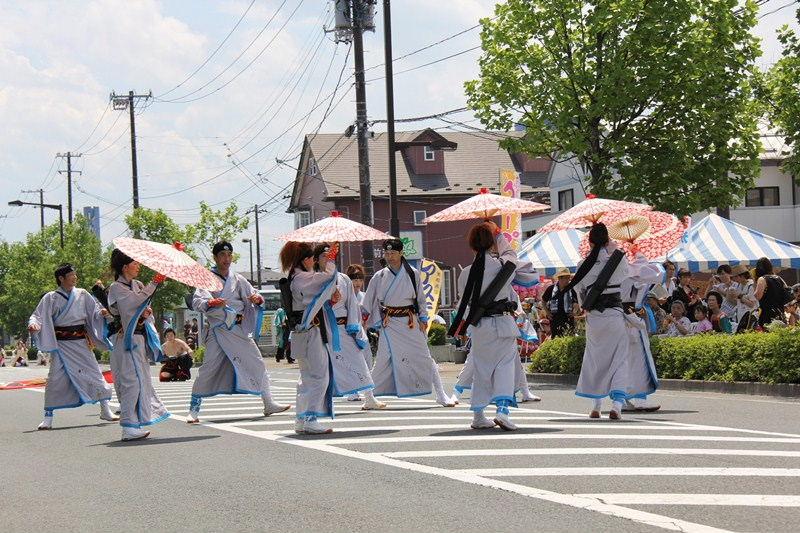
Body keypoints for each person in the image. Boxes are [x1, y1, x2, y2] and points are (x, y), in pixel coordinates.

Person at [188, 241, 289, 424]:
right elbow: (198, 301)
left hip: (239, 330)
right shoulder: (206, 278)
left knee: (257, 362)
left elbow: (254, 295)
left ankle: (268, 402)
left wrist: (257, 299)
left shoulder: (238, 279)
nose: (226, 259)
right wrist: (211, 303)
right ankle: (194, 409)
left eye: (229, 255)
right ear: (215, 258)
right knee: (208, 368)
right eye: (222, 255)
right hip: (219, 330)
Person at [362, 239, 454, 408]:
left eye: (393, 253)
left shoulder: (412, 273)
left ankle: (441, 394)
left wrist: (424, 318)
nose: (389, 256)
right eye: (386, 253)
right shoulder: (379, 276)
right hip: (389, 323)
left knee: (425, 357)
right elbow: (368, 301)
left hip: (410, 321)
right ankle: (369, 396)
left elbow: (421, 298)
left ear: (401, 253)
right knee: (382, 359)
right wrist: (363, 318)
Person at [27, 263, 118, 430]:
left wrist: (102, 314)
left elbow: (95, 312)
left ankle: (105, 409)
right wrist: (34, 325)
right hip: (61, 346)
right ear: (61, 278)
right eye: (71, 275)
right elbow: (37, 316)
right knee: (55, 379)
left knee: (95, 374)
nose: (75, 277)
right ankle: (48, 417)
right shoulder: (51, 297)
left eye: (75, 274)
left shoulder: (82, 294)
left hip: (81, 343)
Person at [567, 223, 631, 420]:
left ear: (590, 241)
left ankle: (596, 405)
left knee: (595, 359)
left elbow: (580, 293)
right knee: (619, 359)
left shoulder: (582, 264)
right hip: (614, 313)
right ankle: (617, 406)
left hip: (594, 316)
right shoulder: (619, 259)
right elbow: (626, 281)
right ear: (608, 239)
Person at [307, 246, 383, 408]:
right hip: (321, 328)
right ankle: (316, 403)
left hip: (343, 327)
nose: (328, 258)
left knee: (358, 360)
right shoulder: (312, 279)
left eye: (331, 255)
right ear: (316, 259)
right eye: (324, 256)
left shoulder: (344, 279)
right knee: (320, 367)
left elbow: (352, 305)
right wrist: (329, 300)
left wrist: (354, 326)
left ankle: (369, 397)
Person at [107, 250, 170, 441]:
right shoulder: (116, 287)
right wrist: (155, 282)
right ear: (125, 266)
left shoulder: (138, 285)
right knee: (130, 382)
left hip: (139, 339)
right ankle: (128, 425)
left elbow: (141, 307)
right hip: (126, 340)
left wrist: (146, 312)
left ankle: (134, 422)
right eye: (135, 263)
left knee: (141, 381)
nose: (138, 266)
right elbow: (131, 305)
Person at [279, 241, 340, 434]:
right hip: (311, 332)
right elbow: (328, 278)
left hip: (301, 332)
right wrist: (329, 260)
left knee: (306, 377)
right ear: (306, 259)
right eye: (313, 258)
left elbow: (323, 290)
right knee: (319, 376)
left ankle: (301, 418)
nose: (314, 262)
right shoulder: (303, 278)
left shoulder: (295, 277)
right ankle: (311, 418)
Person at [619, 253, 663, 413]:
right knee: (639, 361)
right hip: (632, 321)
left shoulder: (622, 276)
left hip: (626, 321)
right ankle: (639, 399)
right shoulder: (632, 279)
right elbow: (659, 274)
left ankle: (622, 398)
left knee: (625, 361)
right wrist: (637, 317)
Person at [541, 270, 579, 337]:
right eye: (566, 278)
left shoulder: (571, 289)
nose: (568, 280)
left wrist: (574, 312)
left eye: (568, 278)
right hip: (555, 318)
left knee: (569, 336)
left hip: (567, 317)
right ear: (560, 278)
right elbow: (543, 301)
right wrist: (547, 312)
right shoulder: (551, 289)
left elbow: (575, 302)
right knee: (556, 337)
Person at [754, 257, 790, 326]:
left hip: (767, 313)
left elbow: (757, 296)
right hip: (780, 311)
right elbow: (787, 291)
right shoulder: (778, 278)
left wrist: (754, 280)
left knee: (768, 333)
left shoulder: (762, 279)